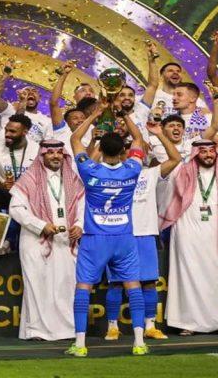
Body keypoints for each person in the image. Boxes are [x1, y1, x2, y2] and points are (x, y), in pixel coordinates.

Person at [67, 102, 149, 357]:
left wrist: (94, 114)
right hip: (124, 237)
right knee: (133, 285)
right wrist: (125, 114)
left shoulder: (89, 169)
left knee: (84, 287)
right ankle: (139, 342)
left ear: (100, 149)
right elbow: (138, 137)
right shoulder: (133, 169)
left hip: (94, 239)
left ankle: (80, 345)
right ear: (124, 151)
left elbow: (74, 138)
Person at [105, 122, 183, 341]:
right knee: (116, 282)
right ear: (120, 156)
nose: (132, 157)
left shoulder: (149, 174)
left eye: (135, 154)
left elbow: (176, 159)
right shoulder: (110, 175)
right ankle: (112, 326)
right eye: (126, 153)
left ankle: (150, 326)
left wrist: (159, 134)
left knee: (148, 281)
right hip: (119, 235)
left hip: (146, 234)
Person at [161, 138, 218, 335]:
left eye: (211, 151)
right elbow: (167, 197)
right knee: (187, 276)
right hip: (186, 232)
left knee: (217, 278)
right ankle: (187, 324)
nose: (208, 155)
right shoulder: (182, 174)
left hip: (217, 234)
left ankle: (217, 322)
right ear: (195, 153)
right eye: (203, 151)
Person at [9, 140, 84, 340]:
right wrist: (40, 225)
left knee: (65, 285)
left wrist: (80, 225)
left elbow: (83, 205)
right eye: (50, 153)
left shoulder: (72, 179)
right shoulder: (29, 179)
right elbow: (15, 209)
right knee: (37, 285)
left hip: (66, 240)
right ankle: (36, 331)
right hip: (36, 240)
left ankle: (67, 329)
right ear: (42, 156)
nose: (55, 156)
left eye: (59, 153)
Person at [0, 113, 39, 253]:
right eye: (6, 130)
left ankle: (18, 241)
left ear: (25, 132)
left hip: (30, 194)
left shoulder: (37, 149)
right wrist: (1, 184)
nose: (7, 134)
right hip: (7, 192)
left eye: (12, 131)